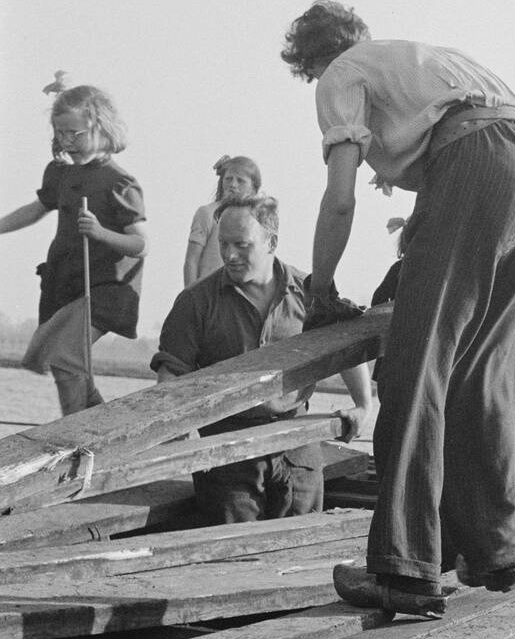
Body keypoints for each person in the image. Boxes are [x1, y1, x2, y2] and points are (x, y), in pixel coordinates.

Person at [281, 0, 515, 617]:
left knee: (415, 368)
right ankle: (495, 550)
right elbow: (475, 150)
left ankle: (405, 570)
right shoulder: (424, 60)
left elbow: (339, 199)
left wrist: (320, 288)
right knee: (479, 371)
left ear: (310, 61)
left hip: (484, 165)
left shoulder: (341, 75)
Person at [153, 195, 372, 523]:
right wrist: (180, 426)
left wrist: (363, 405)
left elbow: (346, 342)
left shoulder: (310, 293)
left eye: (241, 245)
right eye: (224, 244)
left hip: (296, 444)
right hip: (225, 450)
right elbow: (170, 375)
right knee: (233, 555)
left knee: (299, 544)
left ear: (271, 242)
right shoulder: (195, 303)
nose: (229, 255)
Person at [0, 85, 148, 416]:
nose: (67, 142)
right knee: (69, 364)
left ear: (102, 127)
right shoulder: (60, 173)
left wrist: (100, 232)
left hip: (104, 289)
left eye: (75, 133)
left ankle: (72, 438)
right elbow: (36, 209)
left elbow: (140, 244)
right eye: (60, 133)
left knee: (65, 356)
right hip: (65, 281)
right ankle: (100, 428)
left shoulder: (118, 182)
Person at [183, 155, 262, 286]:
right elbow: (192, 260)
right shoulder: (207, 213)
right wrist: (190, 298)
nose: (233, 185)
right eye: (228, 179)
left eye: (240, 181)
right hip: (209, 295)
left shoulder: (259, 220)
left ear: (253, 186)